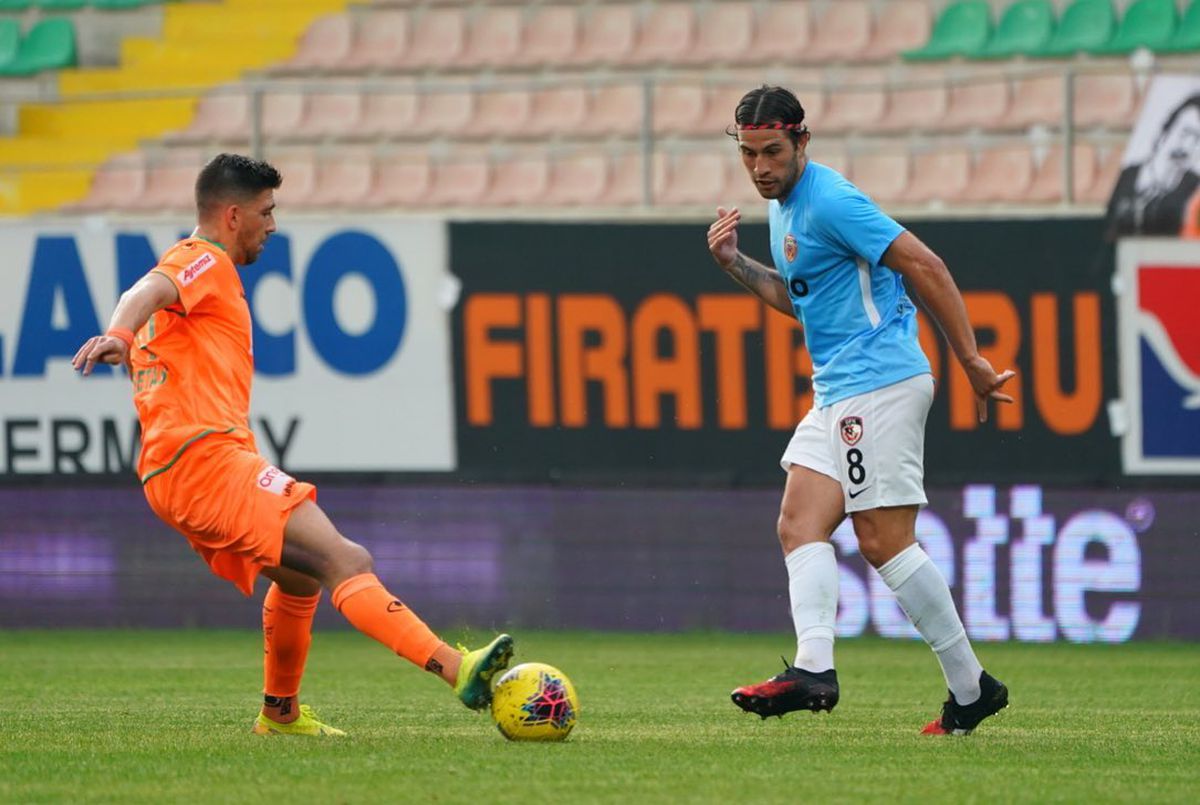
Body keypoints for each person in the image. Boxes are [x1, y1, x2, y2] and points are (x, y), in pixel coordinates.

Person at [72, 153, 513, 736]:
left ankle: (279, 715)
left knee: (301, 578)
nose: (272, 225)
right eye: (266, 211)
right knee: (345, 560)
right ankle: (460, 671)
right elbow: (147, 288)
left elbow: (155, 292)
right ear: (233, 215)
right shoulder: (200, 258)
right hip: (204, 461)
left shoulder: (199, 275)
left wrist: (126, 334)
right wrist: (119, 335)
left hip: (181, 467)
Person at [707, 86, 1014, 735]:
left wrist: (970, 360)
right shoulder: (785, 208)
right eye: (749, 153)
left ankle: (971, 685)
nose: (761, 167)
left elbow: (923, 262)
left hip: (880, 381)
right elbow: (803, 303)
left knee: (883, 539)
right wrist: (736, 265)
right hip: (837, 389)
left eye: (772, 151)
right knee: (798, 521)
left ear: (802, 143)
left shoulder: (831, 199)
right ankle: (814, 669)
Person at [1106, 94, 1200, 239]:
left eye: (1196, 140)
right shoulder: (1123, 178)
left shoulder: (1193, 189)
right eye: (1184, 134)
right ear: (1163, 134)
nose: (1187, 147)